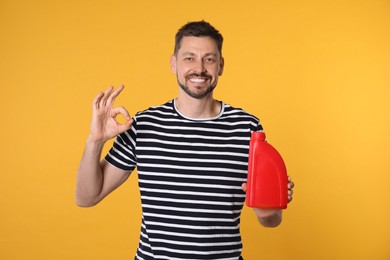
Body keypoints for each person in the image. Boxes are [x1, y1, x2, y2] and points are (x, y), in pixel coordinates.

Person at [76, 20, 294, 260]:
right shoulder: (143, 124)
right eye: (189, 58)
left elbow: (271, 221)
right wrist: (95, 142)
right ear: (173, 64)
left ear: (220, 66)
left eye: (209, 59)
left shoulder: (247, 128)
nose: (199, 68)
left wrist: (268, 209)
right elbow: (86, 197)